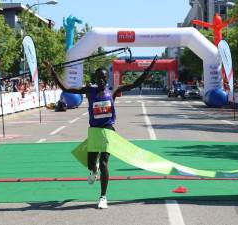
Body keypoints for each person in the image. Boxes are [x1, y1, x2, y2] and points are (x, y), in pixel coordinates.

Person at [44, 55, 157, 209]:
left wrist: (149, 68)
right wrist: (52, 72)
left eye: (104, 77)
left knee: (104, 162)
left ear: (107, 78)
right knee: (91, 164)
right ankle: (93, 169)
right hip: (94, 132)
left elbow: (135, 83)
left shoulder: (113, 90)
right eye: (99, 78)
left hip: (108, 131)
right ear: (95, 79)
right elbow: (66, 88)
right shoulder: (89, 91)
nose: (102, 80)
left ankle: (103, 197)